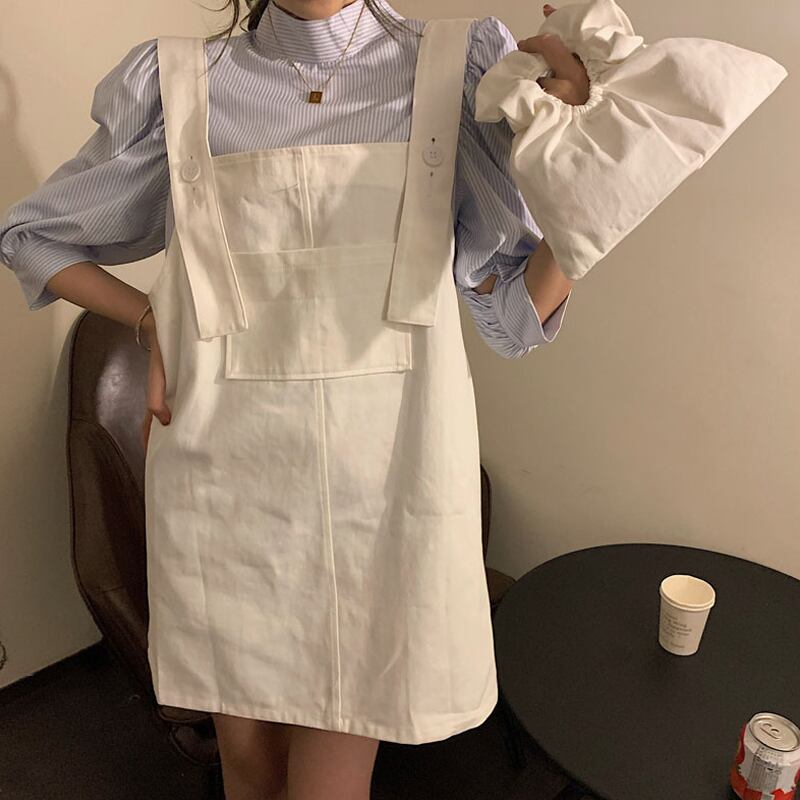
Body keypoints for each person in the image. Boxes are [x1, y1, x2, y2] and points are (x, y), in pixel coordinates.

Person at [0, 2, 589, 798]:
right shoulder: (178, 83)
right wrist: (152, 320)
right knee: (249, 770)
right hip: (226, 487)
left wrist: (587, 187)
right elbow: (31, 236)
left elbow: (513, 314)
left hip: (385, 489)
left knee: (329, 782)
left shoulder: (457, 68)